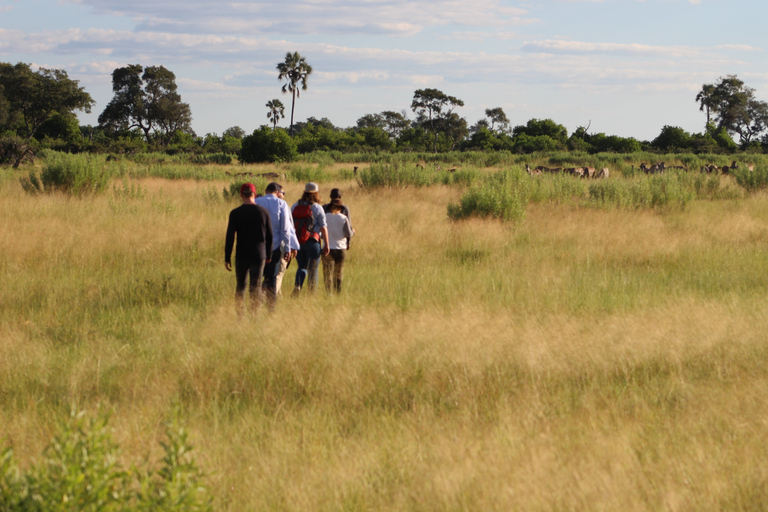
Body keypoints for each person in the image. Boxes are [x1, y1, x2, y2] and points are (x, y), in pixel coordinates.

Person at [225, 183, 272, 315]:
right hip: (259, 254)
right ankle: (254, 315)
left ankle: (240, 315)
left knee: (241, 286)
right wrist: (268, 254)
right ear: (255, 194)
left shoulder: (235, 213)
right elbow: (269, 236)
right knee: (255, 286)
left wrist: (227, 257)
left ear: (241, 195)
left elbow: (230, 236)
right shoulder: (264, 212)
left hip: (242, 255)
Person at [255, 182, 300, 308]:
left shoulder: (256, 201)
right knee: (272, 278)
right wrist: (287, 248)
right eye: (283, 193)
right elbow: (285, 229)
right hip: (274, 247)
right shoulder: (281, 204)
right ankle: (271, 308)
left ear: (266, 190)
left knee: (257, 278)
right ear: (277, 191)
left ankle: (256, 305)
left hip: (257, 247)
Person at [291, 182, 329, 295]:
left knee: (301, 266)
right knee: (313, 270)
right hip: (313, 241)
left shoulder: (295, 205)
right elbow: (323, 227)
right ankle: (310, 295)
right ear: (316, 193)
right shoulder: (317, 207)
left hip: (298, 242)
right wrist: (326, 244)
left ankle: (298, 285)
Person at [321, 199, 353, 293]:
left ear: (330, 207)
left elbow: (321, 232)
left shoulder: (325, 217)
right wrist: (353, 232)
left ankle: (328, 293)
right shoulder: (343, 218)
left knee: (327, 274)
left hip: (328, 248)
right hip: (341, 249)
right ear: (340, 208)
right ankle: (337, 292)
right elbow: (348, 233)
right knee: (338, 273)